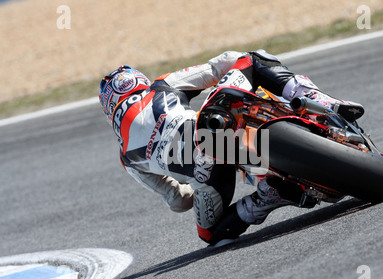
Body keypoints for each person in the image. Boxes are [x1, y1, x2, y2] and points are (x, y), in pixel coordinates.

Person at [99, 50, 364, 246]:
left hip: (206, 172)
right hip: (214, 125)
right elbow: (217, 68)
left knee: (210, 235)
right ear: (137, 81)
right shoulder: (160, 86)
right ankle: (317, 99)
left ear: (110, 109)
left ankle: (264, 198)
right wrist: (228, 72)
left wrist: (190, 174)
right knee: (250, 58)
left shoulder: (126, 157)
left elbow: (179, 201)